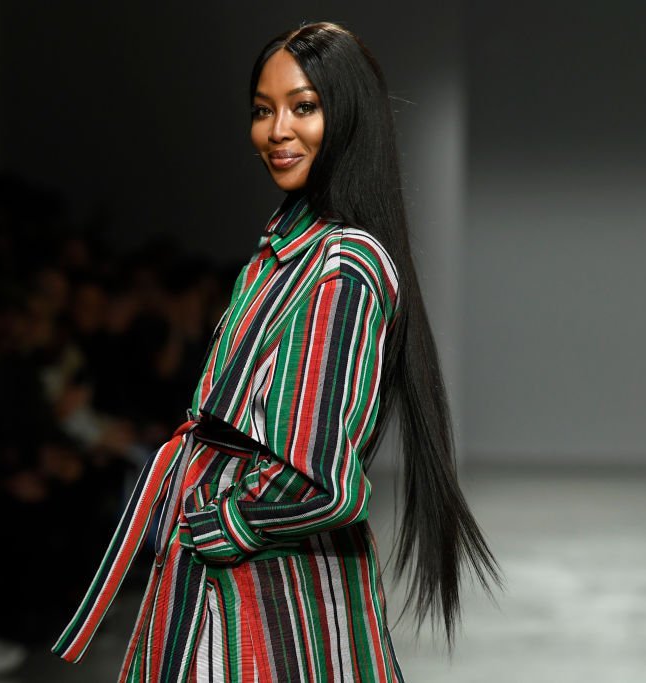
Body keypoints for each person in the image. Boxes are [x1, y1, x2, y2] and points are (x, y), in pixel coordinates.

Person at [53, 22, 501, 681]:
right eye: (263, 110)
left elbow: (324, 479)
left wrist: (228, 519)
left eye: (304, 106)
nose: (277, 130)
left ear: (349, 114)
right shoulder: (286, 250)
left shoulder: (341, 267)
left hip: (263, 578)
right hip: (245, 572)